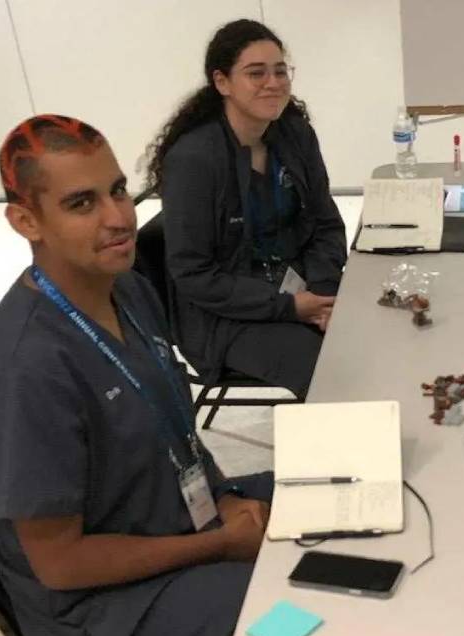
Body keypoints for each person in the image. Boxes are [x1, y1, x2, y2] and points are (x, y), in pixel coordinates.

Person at [0, 114, 273, 636]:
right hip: (106, 613)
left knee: (335, 488)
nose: (119, 218)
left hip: (173, 518)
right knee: (296, 604)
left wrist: (227, 499)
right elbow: (60, 565)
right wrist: (221, 543)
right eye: (82, 203)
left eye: (118, 190)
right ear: (26, 221)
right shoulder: (24, 370)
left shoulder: (128, 290)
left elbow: (173, 427)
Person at [145, 19, 347, 399]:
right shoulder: (193, 161)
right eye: (256, 73)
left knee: (376, 335)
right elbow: (194, 274)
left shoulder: (294, 132)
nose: (273, 83)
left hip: (299, 285)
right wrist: (289, 308)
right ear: (222, 82)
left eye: (280, 71)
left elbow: (326, 224)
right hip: (227, 315)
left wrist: (322, 294)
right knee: (332, 374)